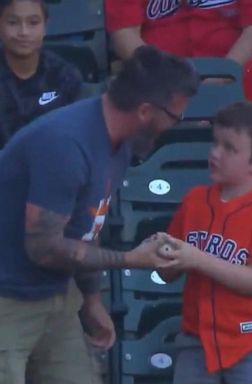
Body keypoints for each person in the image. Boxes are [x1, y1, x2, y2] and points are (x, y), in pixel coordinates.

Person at [0, 45, 199, 384]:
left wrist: (91, 299)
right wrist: (130, 259)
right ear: (145, 110)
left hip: (55, 297)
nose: (174, 126)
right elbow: (43, 247)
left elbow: (85, 227)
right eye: (175, 117)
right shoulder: (67, 144)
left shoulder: (118, 142)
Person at [157, 101, 252, 384]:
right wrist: (161, 253)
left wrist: (197, 259)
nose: (215, 154)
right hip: (196, 340)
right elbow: (165, 273)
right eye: (215, 143)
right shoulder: (194, 200)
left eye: (229, 148)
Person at [0, 0, 83, 148]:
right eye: (13, 23)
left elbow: (77, 138)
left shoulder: (65, 76)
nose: (23, 32)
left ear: (45, 25)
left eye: (33, 23)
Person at [105, 0, 252, 66]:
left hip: (235, 77)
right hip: (157, 83)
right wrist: (163, 78)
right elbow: (124, 34)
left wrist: (222, 77)